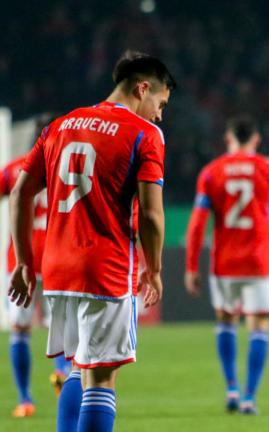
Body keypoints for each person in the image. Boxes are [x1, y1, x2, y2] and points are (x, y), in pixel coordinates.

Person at [7, 50, 174, 432]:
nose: (160, 114)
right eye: (160, 103)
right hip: (106, 267)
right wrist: (155, 268)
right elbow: (150, 214)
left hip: (57, 269)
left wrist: (23, 263)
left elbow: (20, 193)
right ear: (143, 88)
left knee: (79, 367)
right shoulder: (145, 134)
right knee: (101, 378)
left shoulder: (60, 124)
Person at [185, 116, 269, 415]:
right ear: (256, 140)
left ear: (227, 139)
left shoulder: (212, 173)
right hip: (261, 261)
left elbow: (197, 225)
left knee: (226, 321)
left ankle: (231, 389)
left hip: (225, 262)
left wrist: (191, 266)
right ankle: (250, 396)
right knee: (259, 326)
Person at [1, 113, 73, 418]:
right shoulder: (69, 169)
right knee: (62, 328)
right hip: (59, 258)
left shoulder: (13, 168)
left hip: (21, 260)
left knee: (20, 329)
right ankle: (62, 378)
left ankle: (25, 399)